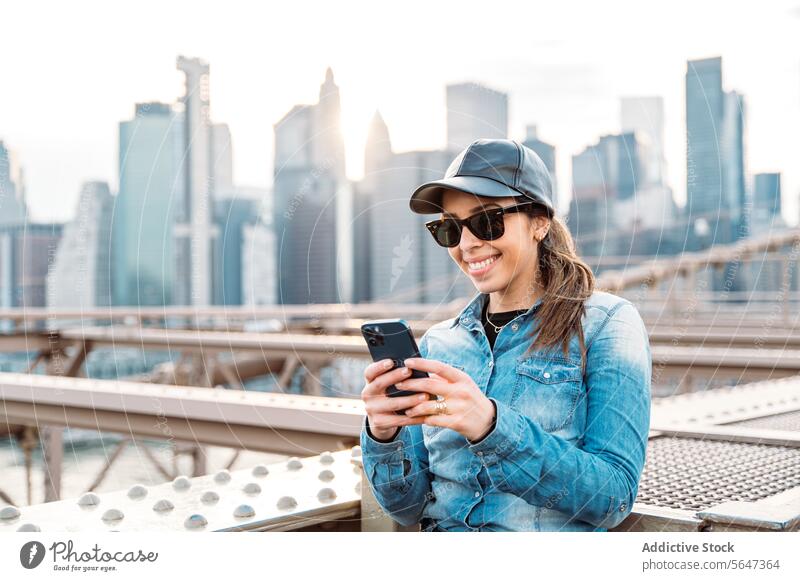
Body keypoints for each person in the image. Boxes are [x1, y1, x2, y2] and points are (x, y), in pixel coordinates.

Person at [359, 138, 652, 532]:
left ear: (540, 221)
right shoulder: (437, 345)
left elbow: (613, 495)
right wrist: (384, 433)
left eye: (487, 221)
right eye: (448, 228)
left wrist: (491, 426)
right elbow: (406, 508)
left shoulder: (607, 324)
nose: (467, 244)